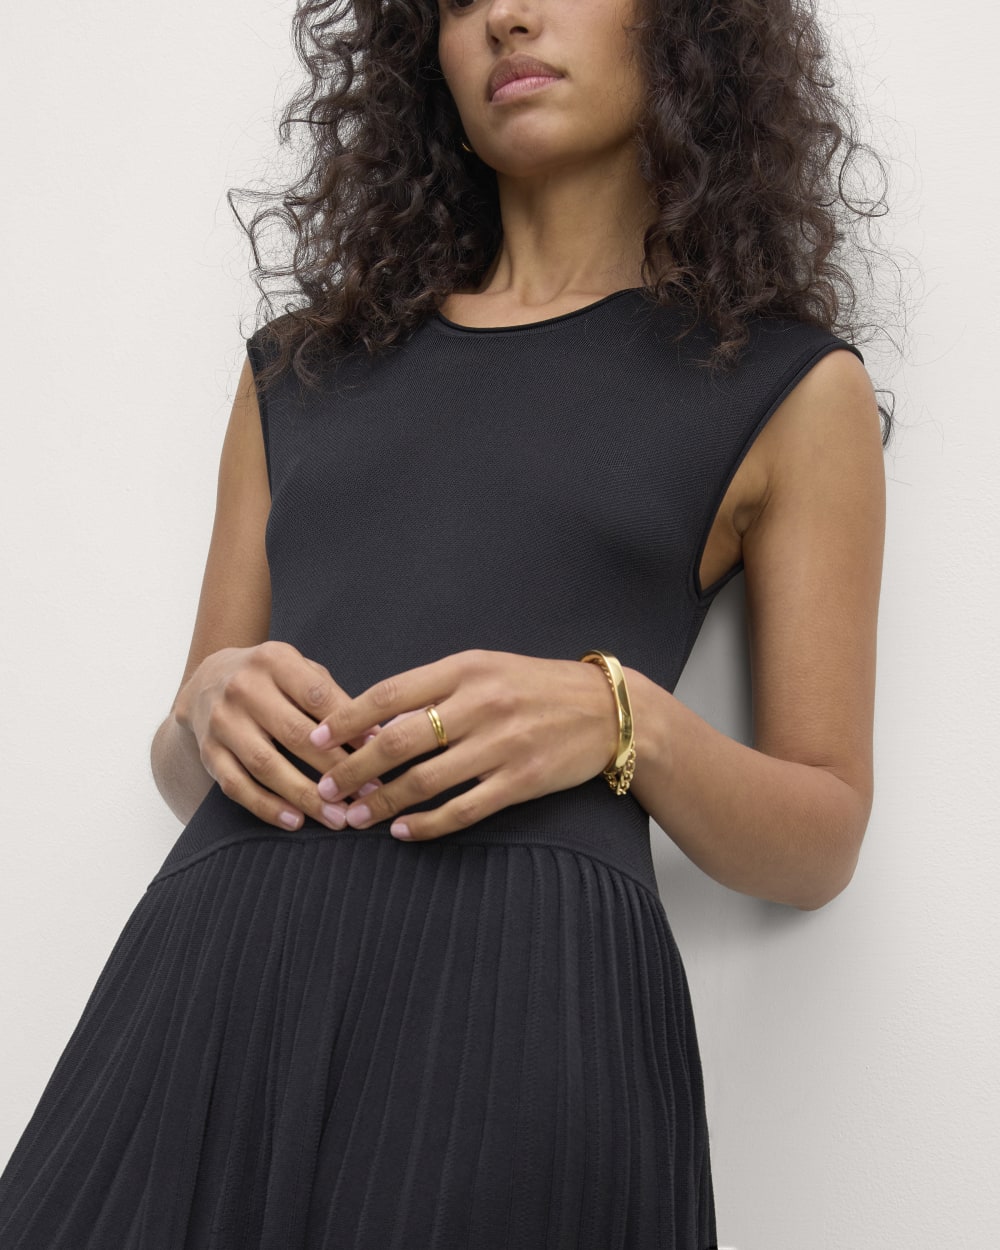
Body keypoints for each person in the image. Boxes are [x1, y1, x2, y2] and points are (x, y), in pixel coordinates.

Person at [0, 0, 892, 1244]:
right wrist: (204, 703)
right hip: (216, 980)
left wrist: (620, 719)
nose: (506, 18)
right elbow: (184, 756)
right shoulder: (298, 369)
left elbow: (821, 837)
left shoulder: (785, 387)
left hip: (523, 1006)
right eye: (461, 1)